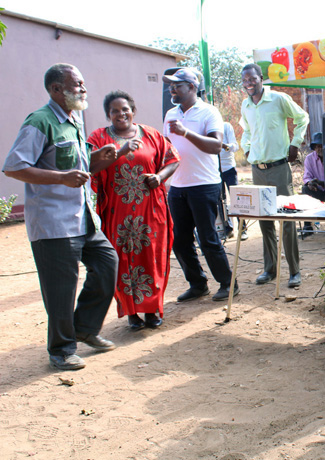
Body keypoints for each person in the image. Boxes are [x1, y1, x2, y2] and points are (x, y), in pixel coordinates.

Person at [3, 63, 118, 370]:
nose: (83, 89)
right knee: (60, 289)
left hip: (83, 217)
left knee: (108, 265)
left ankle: (84, 328)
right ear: (56, 90)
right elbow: (14, 167)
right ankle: (61, 349)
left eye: (82, 84)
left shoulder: (74, 119)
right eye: (76, 85)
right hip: (53, 223)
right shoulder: (40, 122)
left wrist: (97, 160)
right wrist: (60, 178)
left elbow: (75, 169)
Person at [87, 90, 180, 330]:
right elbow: (90, 165)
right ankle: (131, 311)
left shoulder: (151, 134)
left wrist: (159, 178)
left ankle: (152, 309)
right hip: (117, 214)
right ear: (108, 114)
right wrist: (121, 151)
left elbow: (173, 159)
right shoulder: (98, 138)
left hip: (151, 211)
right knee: (122, 260)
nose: (121, 114)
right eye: (115, 111)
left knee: (153, 258)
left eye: (125, 109)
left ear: (133, 110)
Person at [163, 68, 237, 303]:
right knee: (179, 239)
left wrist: (186, 133)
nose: (172, 89)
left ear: (192, 87)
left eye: (177, 85)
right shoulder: (170, 114)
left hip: (204, 184)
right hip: (178, 185)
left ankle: (228, 284)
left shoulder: (209, 112)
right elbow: (167, 145)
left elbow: (216, 146)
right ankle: (197, 284)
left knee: (207, 238)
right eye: (170, 86)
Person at [240, 63, 309, 288]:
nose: (249, 83)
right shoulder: (246, 105)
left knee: (287, 220)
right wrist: (247, 148)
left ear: (261, 78)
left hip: (279, 169)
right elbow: (247, 131)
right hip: (257, 171)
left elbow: (302, 117)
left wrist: (295, 143)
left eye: (252, 78)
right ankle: (270, 269)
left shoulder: (278, 99)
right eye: (245, 80)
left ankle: (294, 272)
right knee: (265, 221)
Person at [300, 132, 325, 237]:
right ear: (314, 148)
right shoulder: (309, 158)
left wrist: (324, 184)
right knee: (305, 189)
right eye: (317, 146)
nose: (319, 149)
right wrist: (310, 183)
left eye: (321, 146)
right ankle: (308, 226)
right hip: (319, 191)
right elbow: (307, 177)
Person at [219, 121, 248, 241]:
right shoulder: (204, 129)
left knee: (236, 198)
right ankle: (227, 229)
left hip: (229, 168)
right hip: (214, 170)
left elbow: (235, 146)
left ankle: (243, 229)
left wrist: (224, 146)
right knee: (220, 200)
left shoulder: (225, 126)